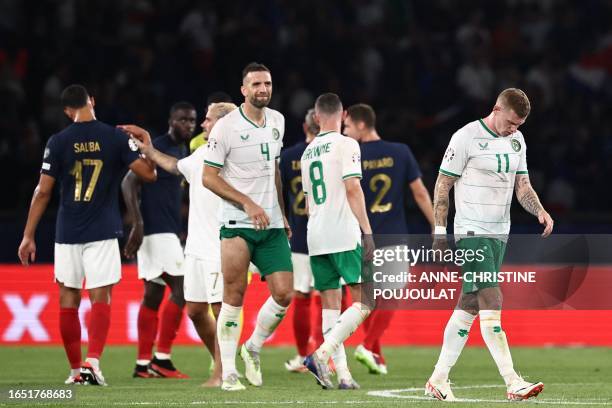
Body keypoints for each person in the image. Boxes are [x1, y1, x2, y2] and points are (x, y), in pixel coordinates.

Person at [17, 84, 156, 386]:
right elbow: (149, 175)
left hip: (67, 231)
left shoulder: (58, 141)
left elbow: (43, 192)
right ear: (92, 101)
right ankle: (93, 362)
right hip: (103, 230)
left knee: (68, 298)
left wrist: (28, 236)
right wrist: (144, 141)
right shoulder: (116, 137)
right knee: (100, 297)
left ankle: (75, 370)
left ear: (67, 111)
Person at [425, 88, 554, 401]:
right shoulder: (465, 136)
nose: (514, 129)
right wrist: (439, 231)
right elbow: (443, 185)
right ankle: (513, 381)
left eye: (519, 125)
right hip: (472, 232)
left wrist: (539, 210)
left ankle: (438, 379)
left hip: (499, 233)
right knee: (491, 299)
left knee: (469, 304)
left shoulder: (517, 141)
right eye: (511, 122)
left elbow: (522, 185)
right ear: (496, 108)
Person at [121, 102, 237, 387]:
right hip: (187, 243)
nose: (199, 125)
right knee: (194, 309)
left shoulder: (235, 157)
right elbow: (171, 167)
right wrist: (146, 146)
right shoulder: (199, 153)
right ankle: (153, 360)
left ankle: (223, 371)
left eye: (205, 120)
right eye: (189, 120)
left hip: (216, 244)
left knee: (215, 307)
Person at [202, 62, 293, 391]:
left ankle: (252, 346)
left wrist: (282, 214)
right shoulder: (225, 127)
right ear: (243, 90)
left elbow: (276, 172)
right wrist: (247, 203)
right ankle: (228, 374)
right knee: (234, 296)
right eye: (256, 84)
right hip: (237, 223)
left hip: (271, 225)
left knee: (284, 293)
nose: (263, 89)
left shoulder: (279, 121)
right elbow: (208, 177)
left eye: (267, 83)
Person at [343, 103, 435, 375]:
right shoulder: (400, 152)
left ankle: (376, 355)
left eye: (347, 127)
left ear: (361, 125)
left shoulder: (351, 154)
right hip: (393, 236)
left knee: (370, 301)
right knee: (391, 297)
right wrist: (435, 223)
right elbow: (419, 192)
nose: (345, 132)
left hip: (359, 236)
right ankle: (369, 346)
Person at [302, 93, 375, 390]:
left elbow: (307, 203)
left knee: (330, 308)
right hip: (342, 232)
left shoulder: (307, 153)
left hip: (316, 234)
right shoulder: (347, 144)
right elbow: (352, 188)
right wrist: (367, 230)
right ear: (343, 114)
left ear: (317, 117)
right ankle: (321, 355)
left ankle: (343, 376)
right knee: (365, 301)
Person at [121, 102, 196, 379]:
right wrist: (137, 223)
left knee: (152, 296)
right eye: (182, 120)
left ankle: (143, 364)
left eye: (192, 120)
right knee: (183, 289)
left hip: (167, 231)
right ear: (170, 120)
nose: (188, 125)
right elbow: (128, 181)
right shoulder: (158, 146)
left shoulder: (183, 150)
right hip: (156, 231)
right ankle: (162, 359)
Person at [280, 108, 325, 373]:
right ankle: (320, 354)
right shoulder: (331, 152)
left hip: (297, 235)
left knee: (301, 296)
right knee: (325, 297)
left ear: (304, 126)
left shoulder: (287, 157)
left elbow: (279, 193)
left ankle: (301, 356)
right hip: (326, 233)